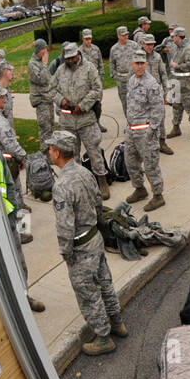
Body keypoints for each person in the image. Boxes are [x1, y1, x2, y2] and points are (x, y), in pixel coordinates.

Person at [47, 130, 126, 356]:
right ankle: (117, 322)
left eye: (51, 148)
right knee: (105, 282)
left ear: (59, 153)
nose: (49, 152)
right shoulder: (85, 172)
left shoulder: (62, 185)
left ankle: (103, 338)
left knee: (88, 294)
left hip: (80, 247)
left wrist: (65, 252)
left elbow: (64, 225)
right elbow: (98, 203)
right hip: (95, 238)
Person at [0, 116, 43, 310]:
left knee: (18, 260)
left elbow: (9, 184)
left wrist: (15, 215)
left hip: (6, 218)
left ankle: (24, 297)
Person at [53, 42, 108, 199]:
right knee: (72, 156)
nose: (70, 61)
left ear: (78, 54)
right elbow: (51, 90)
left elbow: (97, 90)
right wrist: (61, 100)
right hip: (68, 122)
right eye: (67, 58)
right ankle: (78, 186)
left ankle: (102, 181)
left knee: (94, 152)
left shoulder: (89, 68)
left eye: (73, 57)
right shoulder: (60, 71)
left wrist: (83, 105)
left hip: (86, 120)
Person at [122, 50, 166, 212]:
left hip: (146, 133)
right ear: (132, 64)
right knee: (131, 162)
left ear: (146, 64)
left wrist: (152, 130)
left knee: (150, 164)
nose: (140, 66)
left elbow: (158, 109)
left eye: (142, 63)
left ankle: (158, 195)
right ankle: (140, 189)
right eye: (137, 63)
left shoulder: (151, 84)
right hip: (132, 131)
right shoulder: (132, 81)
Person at [139, 34, 173, 156]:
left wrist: (165, 93)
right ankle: (146, 144)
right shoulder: (138, 58)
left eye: (152, 44)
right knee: (145, 119)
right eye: (147, 44)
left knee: (161, 119)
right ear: (142, 44)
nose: (150, 47)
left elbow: (163, 74)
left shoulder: (157, 57)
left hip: (157, 93)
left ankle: (162, 142)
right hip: (143, 95)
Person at [166, 26, 190, 140]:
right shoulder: (176, 48)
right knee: (176, 107)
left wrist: (178, 66)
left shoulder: (189, 49)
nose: (172, 38)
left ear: (179, 37)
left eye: (174, 36)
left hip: (186, 84)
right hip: (175, 83)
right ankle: (176, 128)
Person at [28, 39, 56, 146]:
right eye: (44, 49)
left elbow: (49, 80)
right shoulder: (32, 64)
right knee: (45, 130)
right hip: (41, 102)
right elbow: (41, 80)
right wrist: (44, 64)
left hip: (48, 100)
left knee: (51, 127)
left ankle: (51, 153)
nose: (46, 51)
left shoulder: (40, 63)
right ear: (38, 50)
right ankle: (46, 154)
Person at [109, 25, 137, 117]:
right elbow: (112, 64)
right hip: (121, 81)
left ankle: (137, 124)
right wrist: (115, 76)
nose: (126, 36)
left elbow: (141, 59)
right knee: (125, 104)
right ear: (118, 35)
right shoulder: (114, 49)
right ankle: (129, 124)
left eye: (127, 34)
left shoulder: (134, 45)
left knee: (136, 103)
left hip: (134, 79)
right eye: (123, 35)